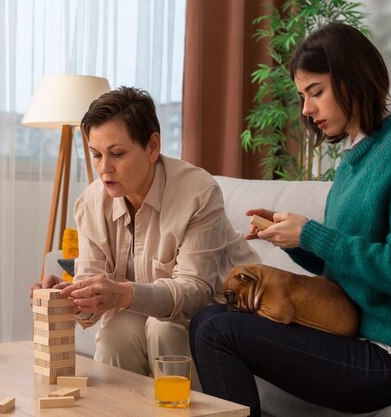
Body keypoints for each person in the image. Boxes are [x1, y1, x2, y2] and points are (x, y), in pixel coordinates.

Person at [189, 23, 391, 416]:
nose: (306, 109)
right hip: (365, 336)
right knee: (208, 318)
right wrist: (295, 239)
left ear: (353, 79)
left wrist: (314, 235)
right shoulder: (356, 158)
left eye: (316, 92)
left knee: (219, 330)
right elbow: (350, 268)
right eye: (303, 96)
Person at [30, 86, 259, 377]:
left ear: (152, 147)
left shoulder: (198, 193)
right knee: (116, 333)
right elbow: (92, 305)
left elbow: (196, 292)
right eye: (96, 155)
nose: (104, 170)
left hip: (215, 314)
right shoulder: (90, 204)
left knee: (163, 328)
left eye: (117, 154)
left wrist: (123, 294)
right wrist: (68, 296)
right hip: (150, 313)